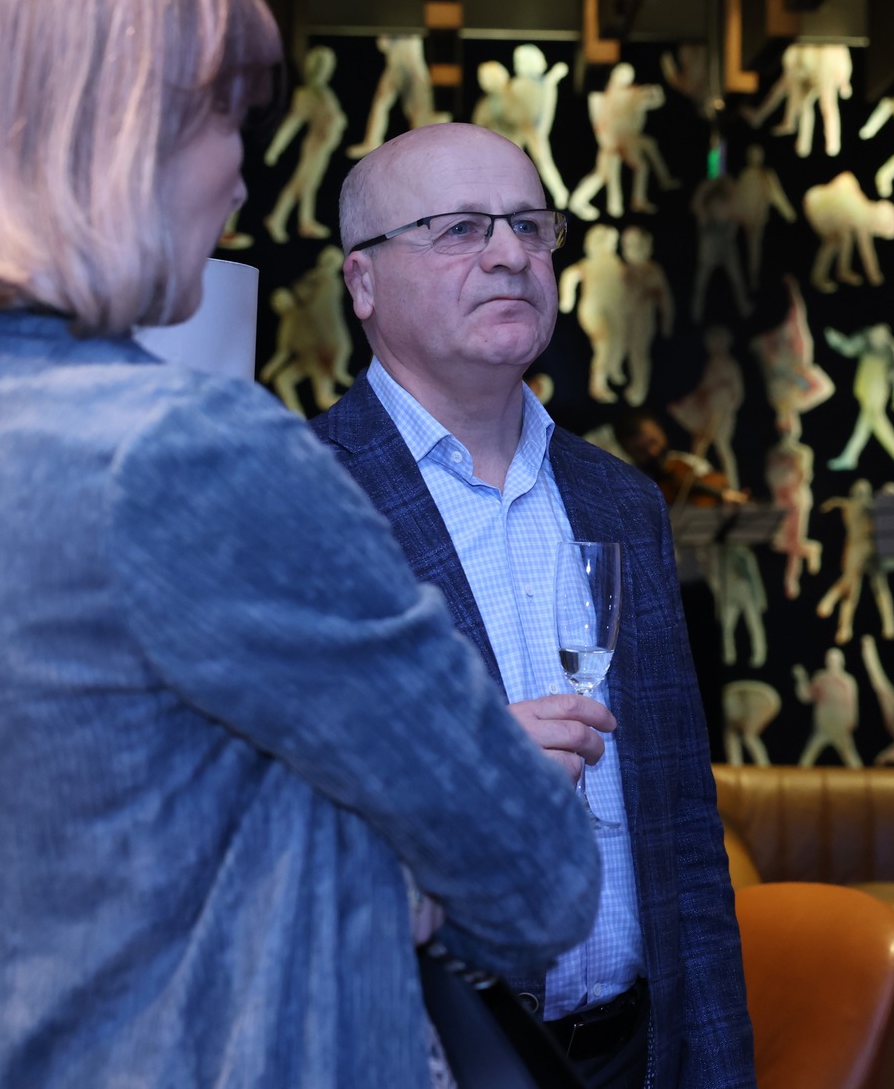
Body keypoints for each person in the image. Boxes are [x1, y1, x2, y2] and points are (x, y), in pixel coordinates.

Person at [0, 0, 596, 1088]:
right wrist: (377, 871)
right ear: (113, 131)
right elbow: (535, 871)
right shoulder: (184, 454)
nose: (239, 185)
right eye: (223, 118)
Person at [312, 123, 755, 1089]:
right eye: (460, 227)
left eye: (528, 224)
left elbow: (684, 831)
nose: (510, 253)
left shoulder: (621, 501)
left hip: (637, 1053)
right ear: (363, 283)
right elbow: (253, 823)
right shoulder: (295, 498)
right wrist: (462, 772)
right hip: (415, 1054)